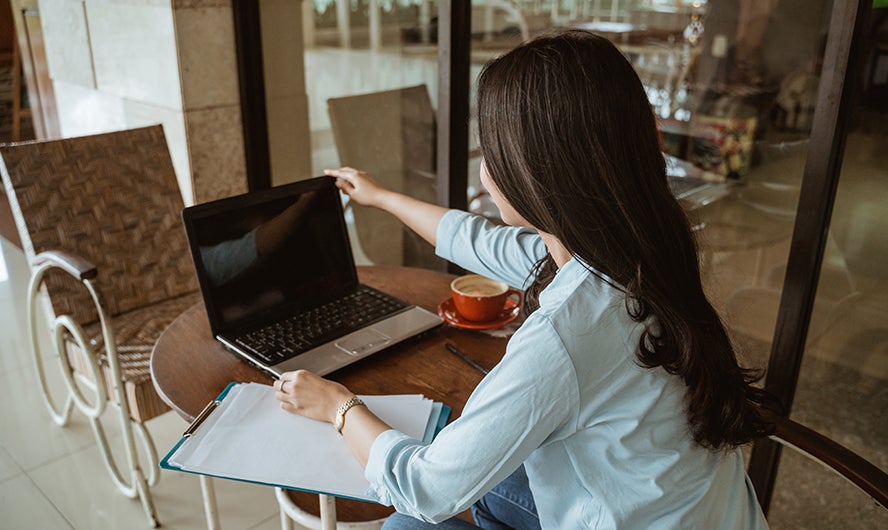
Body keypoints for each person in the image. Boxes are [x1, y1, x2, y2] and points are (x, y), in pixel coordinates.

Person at [273, 29, 777, 529]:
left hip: (635, 517)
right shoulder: (637, 247)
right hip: (693, 507)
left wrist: (339, 406)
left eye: (492, 154)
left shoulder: (566, 334)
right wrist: (381, 197)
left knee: (406, 524)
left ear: (541, 169)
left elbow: (427, 488)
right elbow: (478, 241)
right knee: (498, 477)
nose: (484, 176)